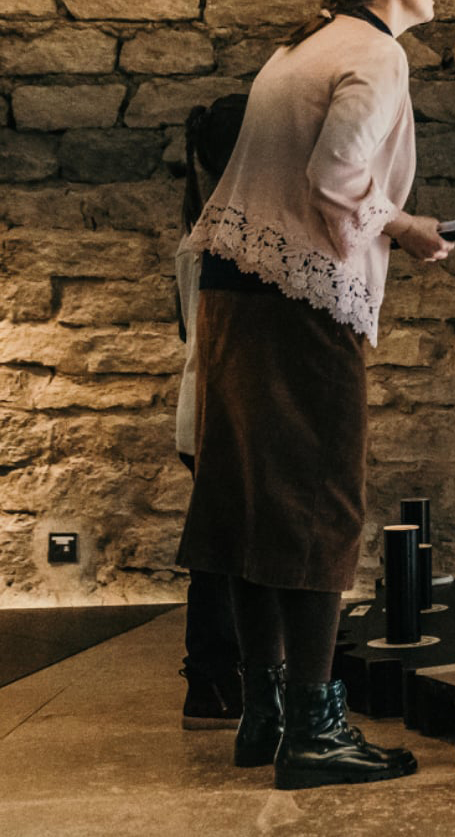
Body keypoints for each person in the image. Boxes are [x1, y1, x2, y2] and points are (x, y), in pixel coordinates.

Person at [177, 0, 455, 789]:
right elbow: (336, 180)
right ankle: (315, 728)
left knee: (249, 503)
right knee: (319, 501)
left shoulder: (300, 46)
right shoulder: (375, 52)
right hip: (299, 301)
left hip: (233, 293)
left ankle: (264, 711)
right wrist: (408, 226)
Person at [173, 94, 248, 730]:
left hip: (199, 410)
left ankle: (218, 678)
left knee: (220, 550)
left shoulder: (197, 232)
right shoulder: (231, 238)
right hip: (221, 409)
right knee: (222, 554)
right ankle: (213, 680)